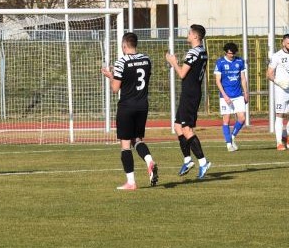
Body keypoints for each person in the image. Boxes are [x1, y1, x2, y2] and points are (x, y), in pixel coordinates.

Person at [101, 32, 157, 190]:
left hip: (127, 106)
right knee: (137, 139)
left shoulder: (121, 62)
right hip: (142, 105)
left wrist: (110, 76)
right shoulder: (146, 59)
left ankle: (131, 182)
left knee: (125, 144)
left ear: (124, 45)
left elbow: (115, 88)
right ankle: (149, 161)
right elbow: (137, 77)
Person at [165, 24, 211, 179]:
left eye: (190, 33)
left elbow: (182, 74)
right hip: (191, 92)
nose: (188, 35)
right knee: (178, 126)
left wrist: (173, 61)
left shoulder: (194, 52)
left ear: (196, 36)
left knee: (186, 129)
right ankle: (187, 160)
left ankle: (203, 162)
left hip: (190, 94)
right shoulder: (203, 51)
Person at [214, 42, 249, 152]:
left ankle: (232, 137)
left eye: (233, 54)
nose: (232, 56)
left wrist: (246, 92)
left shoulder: (240, 61)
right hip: (225, 96)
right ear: (225, 52)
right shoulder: (220, 63)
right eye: (230, 54)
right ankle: (229, 144)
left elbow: (243, 78)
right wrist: (224, 95)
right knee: (226, 120)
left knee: (242, 118)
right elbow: (217, 81)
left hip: (238, 95)